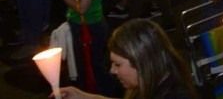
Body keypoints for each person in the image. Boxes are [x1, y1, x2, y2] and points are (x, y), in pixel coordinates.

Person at [58, 18, 197, 99]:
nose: (112, 70)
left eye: (117, 64)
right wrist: (82, 96)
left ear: (141, 61)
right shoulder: (156, 81)